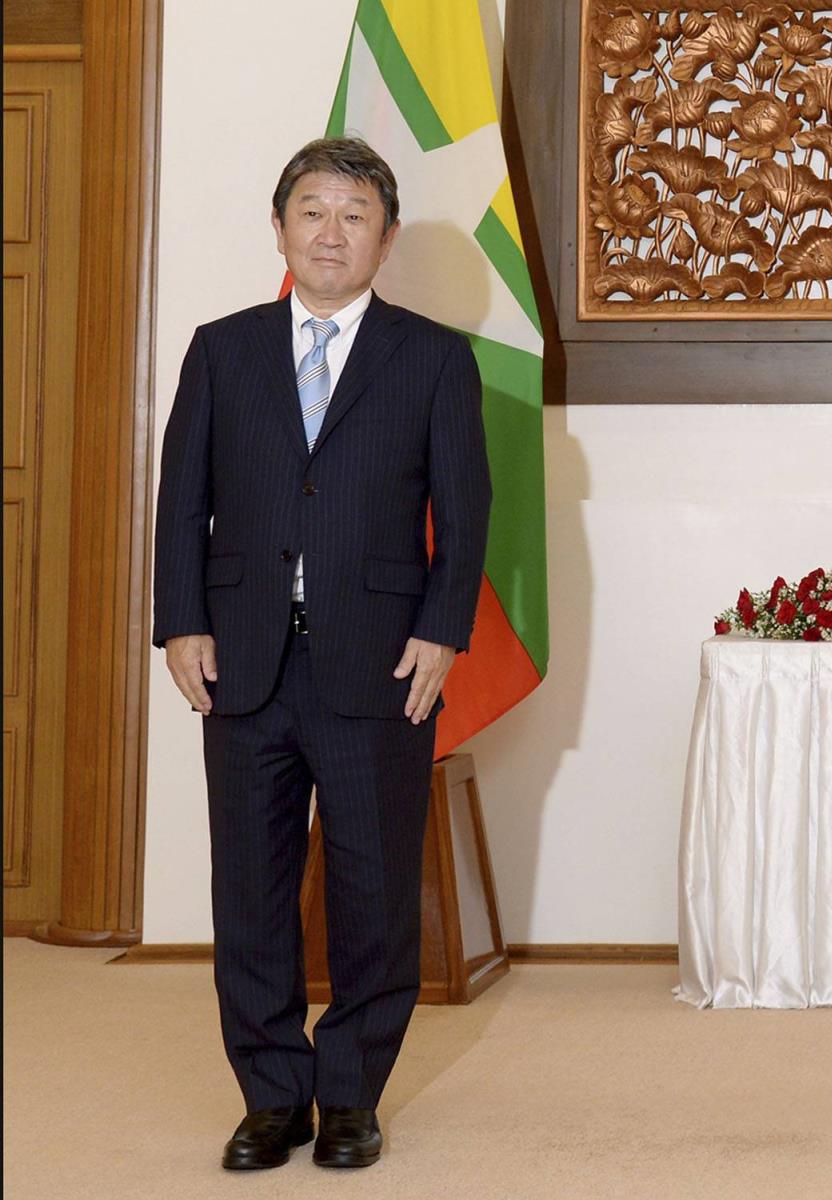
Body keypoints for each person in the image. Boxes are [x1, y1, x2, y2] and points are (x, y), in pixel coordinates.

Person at [152, 137, 491, 1170]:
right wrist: (179, 621)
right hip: (242, 660)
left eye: (353, 214)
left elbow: (465, 510)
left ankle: (349, 1095)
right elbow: (183, 503)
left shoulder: (432, 356)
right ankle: (269, 1096)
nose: (330, 231)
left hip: (382, 664)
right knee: (248, 890)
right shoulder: (222, 348)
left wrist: (442, 630)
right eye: (312, 210)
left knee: (373, 886)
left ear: (383, 238)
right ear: (280, 227)